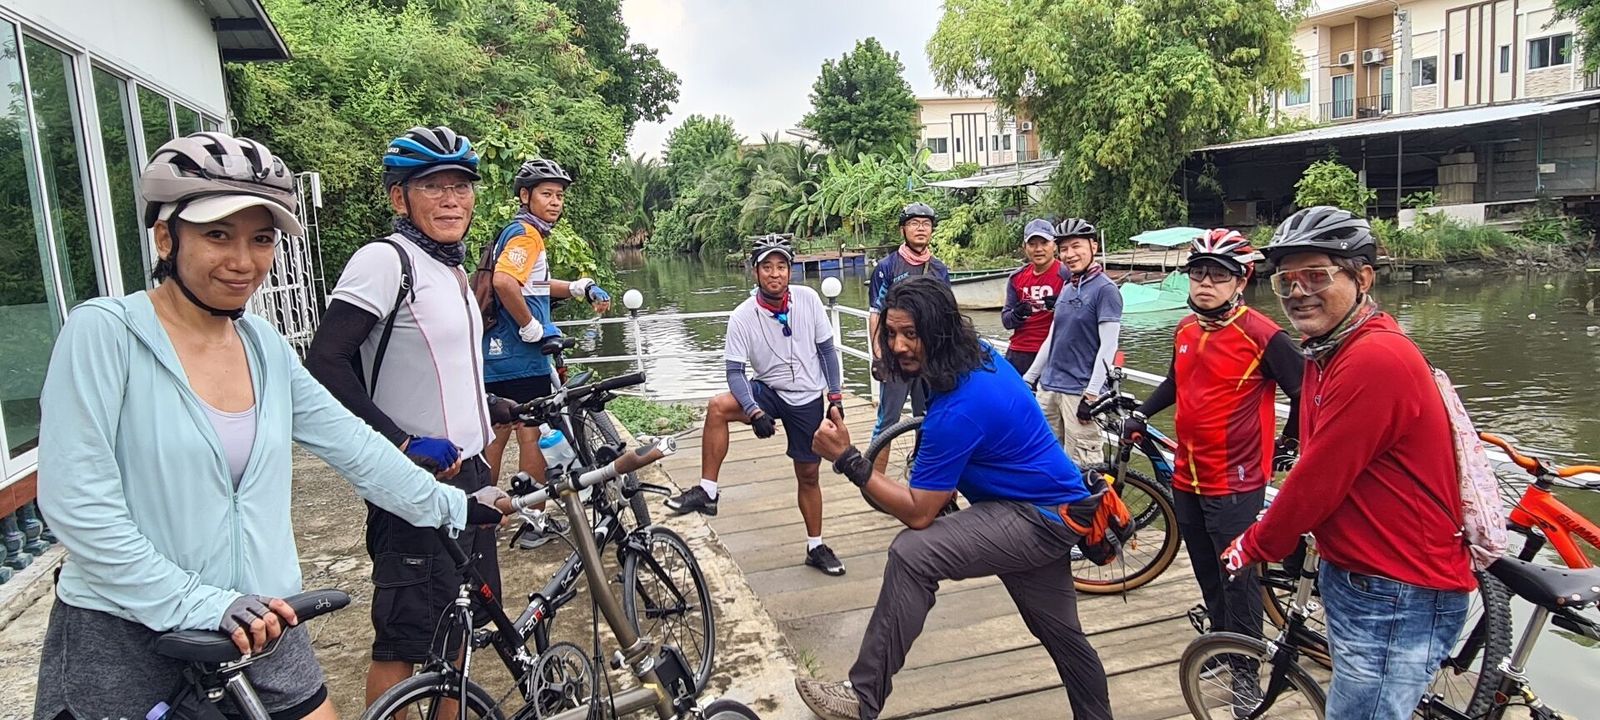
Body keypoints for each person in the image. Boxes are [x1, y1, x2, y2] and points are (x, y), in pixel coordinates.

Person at [33, 132, 509, 720]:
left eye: (261, 239)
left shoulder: (262, 344)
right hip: (127, 633)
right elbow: (78, 505)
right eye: (217, 235)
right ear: (165, 238)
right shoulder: (105, 334)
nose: (243, 262)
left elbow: (353, 445)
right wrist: (198, 602)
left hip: (261, 620)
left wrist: (452, 505)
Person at [795, 277, 1113, 720]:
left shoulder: (961, 409)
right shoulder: (976, 355)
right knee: (1063, 637)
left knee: (912, 553)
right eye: (891, 333)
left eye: (912, 334)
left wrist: (849, 459)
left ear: (939, 331)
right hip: (1054, 506)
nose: (899, 345)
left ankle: (861, 697)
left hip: (1038, 518)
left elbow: (918, 513)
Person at [1223, 206, 1473, 720]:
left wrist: (1257, 542)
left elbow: (1319, 477)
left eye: (1316, 276)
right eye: (1286, 280)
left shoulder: (1373, 357)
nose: (1297, 292)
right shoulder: (1327, 349)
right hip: (1364, 573)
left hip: (1396, 586)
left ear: (1363, 279)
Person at [302, 126, 510, 705]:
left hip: (468, 475)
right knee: (403, 642)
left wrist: (486, 406)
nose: (451, 199)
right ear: (400, 197)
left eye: (461, 187)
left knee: (459, 627)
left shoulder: (450, 268)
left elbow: (437, 364)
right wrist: (399, 441)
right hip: (413, 485)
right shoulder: (385, 261)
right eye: (433, 186)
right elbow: (325, 362)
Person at [1119, 229, 1302, 699]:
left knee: (1238, 576)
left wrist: (1290, 441)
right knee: (1206, 568)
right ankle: (1222, 646)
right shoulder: (1185, 328)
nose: (1205, 283)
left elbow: (1305, 391)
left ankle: (1247, 671)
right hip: (1188, 473)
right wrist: (1142, 414)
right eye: (1198, 273)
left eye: (1218, 275)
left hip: (1236, 480)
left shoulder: (1263, 334)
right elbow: (1174, 382)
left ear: (1241, 280)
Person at [664, 235, 847, 576]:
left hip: (807, 396)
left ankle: (816, 546)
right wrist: (753, 410)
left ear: (790, 270)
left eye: (781, 267)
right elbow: (734, 372)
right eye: (767, 267)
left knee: (808, 475)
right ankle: (707, 491)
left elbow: (826, 351)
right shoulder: (742, 316)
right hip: (768, 390)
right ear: (755, 272)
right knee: (718, 406)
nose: (775, 274)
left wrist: (834, 396)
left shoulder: (808, 299)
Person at [478, 158, 611, 541]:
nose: (555, 202)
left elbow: (530, 283)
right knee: (531, 434)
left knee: (495, 436)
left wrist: (578, 288)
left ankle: (480, 520)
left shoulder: (516, 232)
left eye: (559, 196)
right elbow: (505, 283)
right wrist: (531, 327)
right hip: (522, 357)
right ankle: (534, 522)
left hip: (495, 354)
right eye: (547, 194)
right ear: (525, 196)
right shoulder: (527, 235)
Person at [1023, 218, 1123, 466]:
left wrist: (1091, 396)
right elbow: (1052, 338)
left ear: (1093, 247)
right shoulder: (1068, 287)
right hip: (1049, 388)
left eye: (1076, 246)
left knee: (1083, 467)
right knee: (1043, 460)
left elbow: (1108, 346)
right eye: (1064, 249)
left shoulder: (1105, 290)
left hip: (1079, 393)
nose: (1069, 254)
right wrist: (1028, 378)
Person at [867, 202, 949, 472]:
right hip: (896, 354)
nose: (921, 229)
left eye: (926, 224)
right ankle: (873, 480)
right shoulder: (887, 266)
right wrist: (879, 356)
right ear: (903, 229)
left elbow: (946, 314)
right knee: (888, 421)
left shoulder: (939, 269)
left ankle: (920, 473)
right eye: (914, 223)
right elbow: (876, 313)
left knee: (927, 418)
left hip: (928, 357)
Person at [999, 218, 1064, 374]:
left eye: (1044, 243)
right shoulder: (1017, 278)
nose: (1038, 249)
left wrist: (1062, 306)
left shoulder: (1066, 275)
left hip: (1054, 350)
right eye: (1032, 244)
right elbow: (1006, 321)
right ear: (1024, 247)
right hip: (1019, 350)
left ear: (1054, 245)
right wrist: (1017, 314)